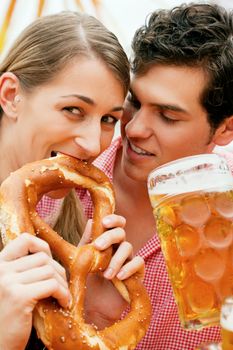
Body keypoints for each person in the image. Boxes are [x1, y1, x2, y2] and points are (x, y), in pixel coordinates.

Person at [46, 3, 233, 349]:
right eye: (134, 100)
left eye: (167, 116)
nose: (133, 128)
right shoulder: (56, 183)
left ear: (224, 129)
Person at [0, 11, 145, 350]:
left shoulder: (71, 225)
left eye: (109, 119)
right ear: (10, 96)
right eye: (73, 110)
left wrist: (95, 313)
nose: (93, 144)